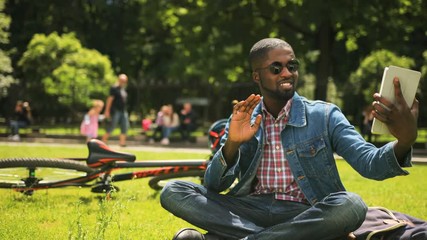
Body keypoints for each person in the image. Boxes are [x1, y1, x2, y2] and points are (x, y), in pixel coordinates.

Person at [160, 38, 419, 240]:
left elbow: (369, 163)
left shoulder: (325, 115)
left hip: (307, 212)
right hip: (249, 209)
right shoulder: (243, 117)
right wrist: (232, 145)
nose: (287, 73)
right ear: (256, 76)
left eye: (291, 66)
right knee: (174, 190)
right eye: (276, 68)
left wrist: (404, 141)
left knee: (351, 205)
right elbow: (214, 185)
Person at [102, 74, 130, 147]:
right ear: (119, 80)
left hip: (123, 110)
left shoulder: (123, 89)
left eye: (125, 81)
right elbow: (110, 100)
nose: (123, 82)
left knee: (125, 126)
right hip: (115, 110)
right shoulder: (114, 88)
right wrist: (107, 111)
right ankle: (103, 141)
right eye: (122, 80)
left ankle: (122, 143)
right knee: (112, 126)